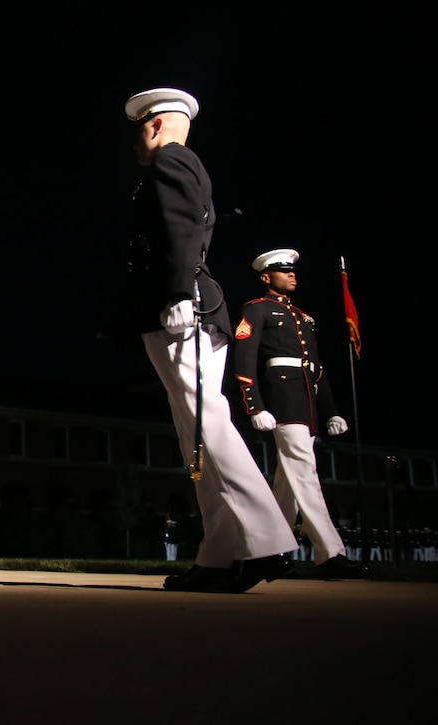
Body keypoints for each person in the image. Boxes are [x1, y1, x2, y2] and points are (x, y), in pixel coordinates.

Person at [110, 88, 298, 592]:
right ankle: (220, 552)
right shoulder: (181, 163)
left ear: (151, 127)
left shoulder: (169, 161)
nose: (135, 147)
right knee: (195, 431)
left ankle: (267, 539)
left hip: (181, 305)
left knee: (205, 423)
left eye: (136, 135)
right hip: (186, 304)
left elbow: (181, 228)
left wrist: (175, 290)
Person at [232, 248, 369, 579]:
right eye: (283, 270)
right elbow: (244, 359)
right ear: (267, 277)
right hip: (282, 401)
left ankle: (266, 551)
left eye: (293, 270)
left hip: (305, 402)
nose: (292, 274)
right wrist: (255, 405)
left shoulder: (304, 318)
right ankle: (330, 553)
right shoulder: (257, 309)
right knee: (305, 473)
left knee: (287, 482)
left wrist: (331, 411)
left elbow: (315, 369)